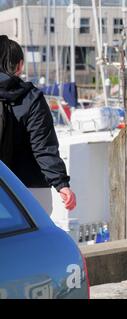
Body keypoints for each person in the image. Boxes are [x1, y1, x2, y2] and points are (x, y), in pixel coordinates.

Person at [0, 35, 76, 214]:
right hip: (32, 191)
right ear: (19, 66)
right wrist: (61, 184)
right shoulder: (31, 98)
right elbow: (43, 146)